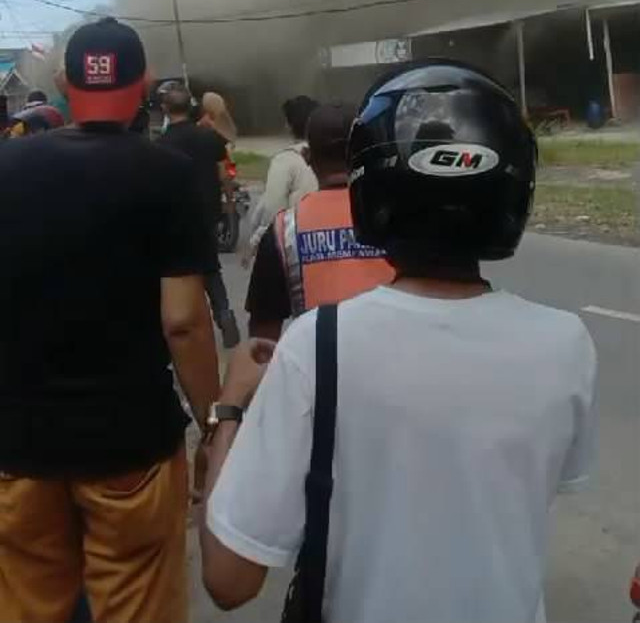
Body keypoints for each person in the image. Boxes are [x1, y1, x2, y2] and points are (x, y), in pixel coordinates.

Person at [200, 61, 597, 623]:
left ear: (372, 192)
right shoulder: (568, 343)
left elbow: (228, 577)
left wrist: (230, 408)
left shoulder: (320, 344)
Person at [0, 17, 220, 623]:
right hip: (130, 446)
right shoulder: (168, 175)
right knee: (136, 607)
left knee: (26, 607)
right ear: (144, 83)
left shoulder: (6, 168)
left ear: (67, 81)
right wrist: (215, 422)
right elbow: (183, 321)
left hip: (18, 446)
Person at [246, 102, 392, 340]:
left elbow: (262, 341)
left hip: (319, 370)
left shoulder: (284, 230)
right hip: (395, 364)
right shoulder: (399, 218)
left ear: (307, 157)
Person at [162, 84, 240, 349]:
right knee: (210, 267)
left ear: (164, 108)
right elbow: (223, 175)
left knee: (178, 274)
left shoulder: (160, 144)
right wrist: (229, 204)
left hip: (173, 217)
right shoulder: (210, 138)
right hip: (207, 213)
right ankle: (225, 314)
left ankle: (187, 327)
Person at [246, 95, 319, 261]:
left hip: (295, 244)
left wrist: (256, 240)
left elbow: (272, 209)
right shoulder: (330, 155)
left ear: (288, 126)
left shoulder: (285, 160)